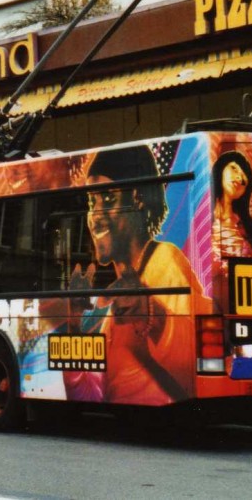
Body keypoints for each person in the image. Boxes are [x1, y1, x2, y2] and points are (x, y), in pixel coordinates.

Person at [65, 144, 207, 405]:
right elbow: (88, 395)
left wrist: (150, 313)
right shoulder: (115, 300)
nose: (95, 216)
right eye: (91, 202)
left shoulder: (165, 262)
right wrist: (73, 325)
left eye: (108, 199)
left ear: (138, 198)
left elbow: (192, 368)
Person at [211, 150, 252, 260]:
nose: (239, 178)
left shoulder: (249, 227)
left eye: (244, 180)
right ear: (221, 169)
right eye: (234, 168)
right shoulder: (200, 214)